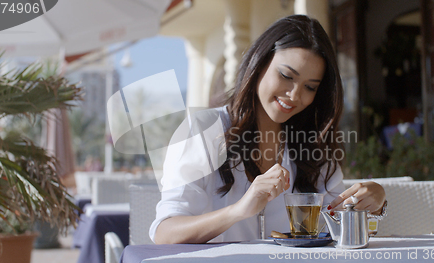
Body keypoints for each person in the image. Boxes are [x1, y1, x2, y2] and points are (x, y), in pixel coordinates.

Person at [150, 15, 386, 244]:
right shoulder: (204, 130)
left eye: (310, 87)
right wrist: (238, 210)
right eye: (286, 76)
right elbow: (165, 233)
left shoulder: (313, 144)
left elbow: (338, 226)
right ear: (259, 63)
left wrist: (374, 203)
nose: (294, 95)